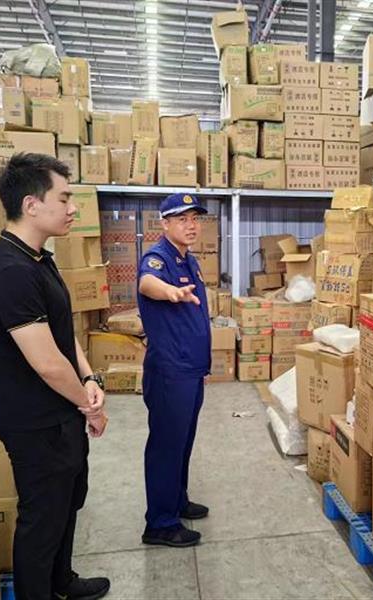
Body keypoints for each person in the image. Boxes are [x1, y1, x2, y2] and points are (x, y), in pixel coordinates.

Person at [0, 153, 110, 600]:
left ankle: (61, 581)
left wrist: (90, 379)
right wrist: (87, 405)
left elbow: (62, 332)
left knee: (67, 503)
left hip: (61, 412)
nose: (73, 208)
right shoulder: (10, 271)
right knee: (42, 518)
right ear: (31, 205)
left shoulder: (38, 259)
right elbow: (47, 363)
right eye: (65, 198)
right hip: (34, 422)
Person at [138, 192, 212, 548]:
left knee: (183, 441)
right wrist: (169, 292)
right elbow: (146, 283)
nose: (191, 225)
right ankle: (160, 523)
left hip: (190, 369)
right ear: (164, 224)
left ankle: (177, 500)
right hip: (171, 371)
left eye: (195, 218)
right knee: (166, 445)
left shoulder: (189, 260)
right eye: (182, 219)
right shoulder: (158, 258)